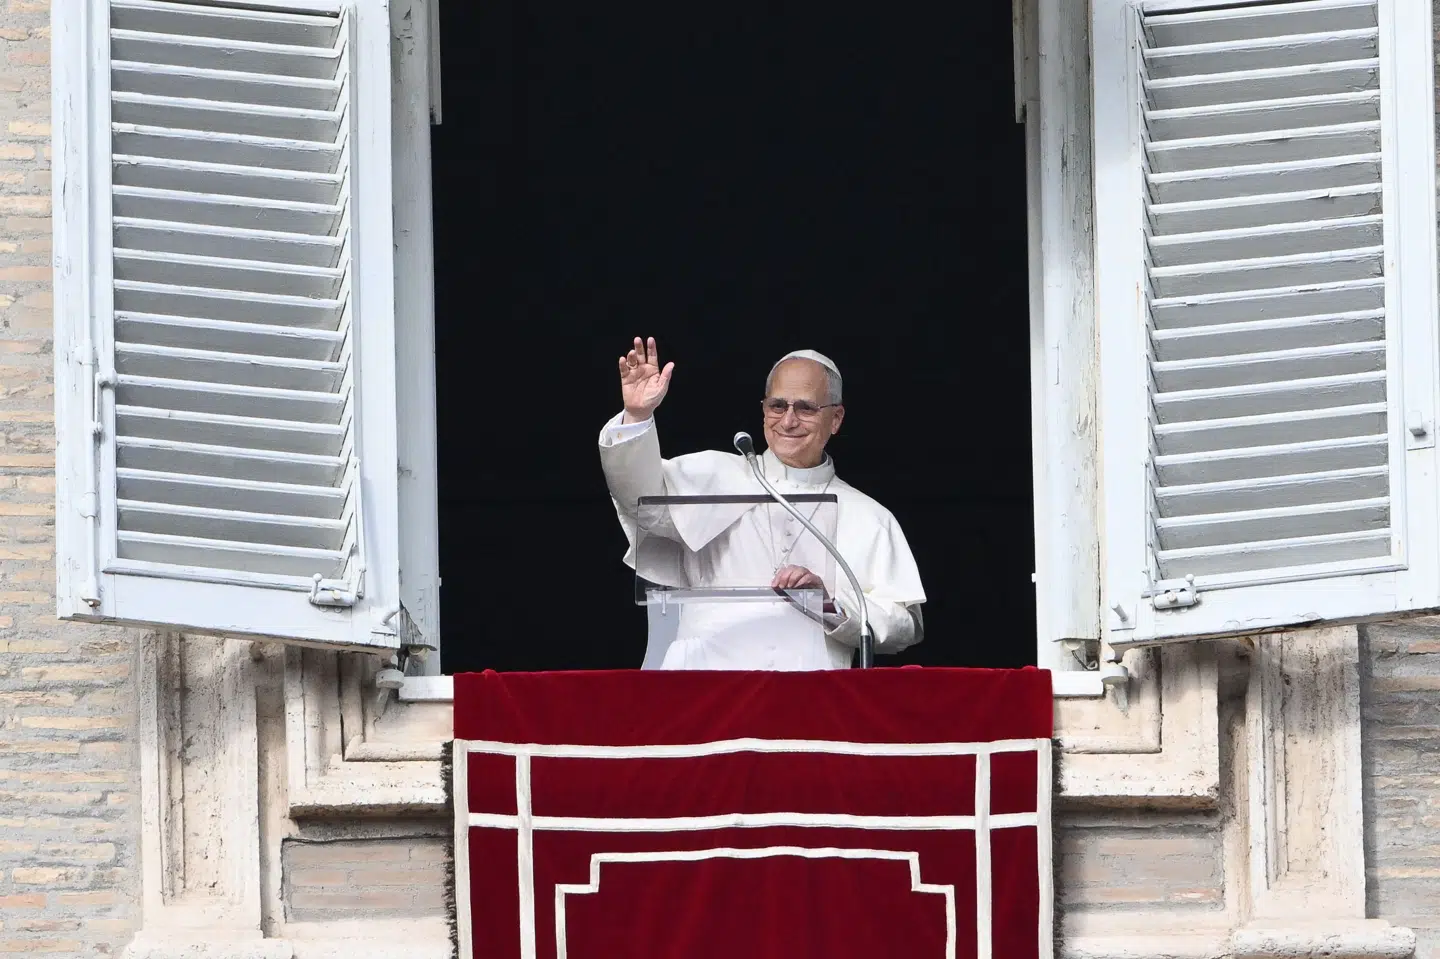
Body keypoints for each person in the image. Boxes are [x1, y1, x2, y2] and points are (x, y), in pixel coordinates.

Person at [598, 336, 926, 670]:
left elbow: (903, 625)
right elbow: (640, 503)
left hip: (810, 698)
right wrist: (637, 417)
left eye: (806, 408)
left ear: (836, 418)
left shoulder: (869, 516)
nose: (788, 421)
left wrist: (830, 603)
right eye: (778, 406)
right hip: (705, 688)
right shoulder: (715, 474)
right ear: (764, 410)